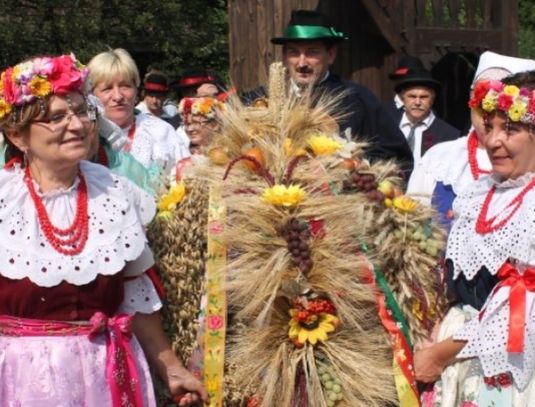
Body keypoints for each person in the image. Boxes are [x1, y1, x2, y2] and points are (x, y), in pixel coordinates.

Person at [0, 54, 207, 406]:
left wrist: (171, 370)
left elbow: (135, 298)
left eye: (82, 112)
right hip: (22, 381)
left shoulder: (114, 193)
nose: (78, 125)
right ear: (18, 136)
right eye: (56, 117)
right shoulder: (5, 201)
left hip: (106, 375)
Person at [414, 70, 535, 406]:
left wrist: (440, 355)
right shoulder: (481, 191)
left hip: (508, 361)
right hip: (459, 349)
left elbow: (524, 309)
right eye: (491, 126)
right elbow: (459, 278)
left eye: (510, 129)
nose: (493, 140)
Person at [258, 9, 414, 174]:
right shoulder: (261, 101)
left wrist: (353, 165)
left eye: (312, 52)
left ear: (331, 55)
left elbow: (398, 156)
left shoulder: (358, 99)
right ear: (284, 56)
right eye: (294, 52)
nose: (301, 62)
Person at [407, 51, 535, 229]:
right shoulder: (440, 160)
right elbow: (410, 227)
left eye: (502, 102)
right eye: (482, 95)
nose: (487, 107)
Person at [88, 48, 187, 174]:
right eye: (107, 88)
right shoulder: (81, 136)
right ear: (91, 94)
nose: (118, 96)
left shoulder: (161, 132)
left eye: (125, 86)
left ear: (136, 89)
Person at [384, 64, 460, 168]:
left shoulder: (449, 135)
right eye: (412, 96)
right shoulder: (388, 126)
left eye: (424, 97)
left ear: (432, 100)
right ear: (403, 99)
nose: (417, 102)